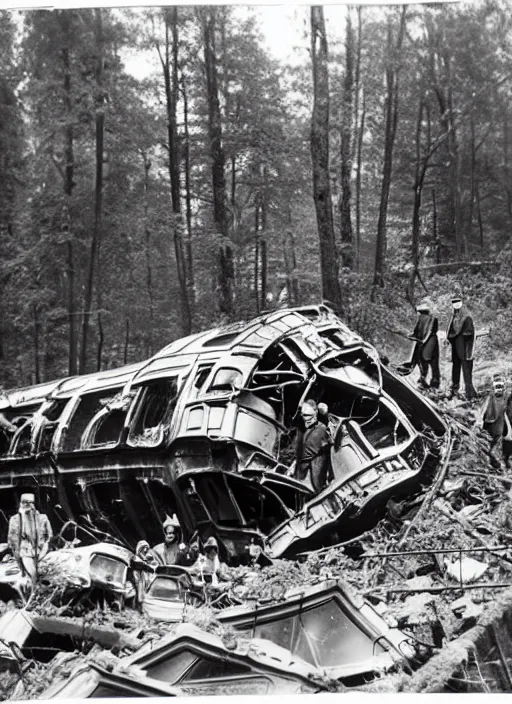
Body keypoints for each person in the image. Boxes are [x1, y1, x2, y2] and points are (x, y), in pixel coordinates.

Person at [7, 494, 53, 581]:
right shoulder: (14, 520)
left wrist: (43, 551)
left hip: (42, 552)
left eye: (31, 502)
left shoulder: (43, 518)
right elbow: (12, 542)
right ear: (20, 504)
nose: (28, 505)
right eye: (25, 502)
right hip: (25, 552)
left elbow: (49, 537)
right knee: (34, 576)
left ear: (34, 504)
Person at [293, 400, 332, 493]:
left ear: (316, 413)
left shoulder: (321, 429)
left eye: (308, 415)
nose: (305, 419)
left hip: (312, 479)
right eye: (303, 415)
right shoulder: (303, 430)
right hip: (302, 476)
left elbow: (308, 453)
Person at [446, 295, 477, 400]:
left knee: (466, 367)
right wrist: (450, 338)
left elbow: (469, 332)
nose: (456, 304)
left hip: (464, 345)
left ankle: (469, 393)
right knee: (456, 365)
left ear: (461, 303)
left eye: (458, 302)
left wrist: (459, 335)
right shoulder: (453, 316)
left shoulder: (467, 316)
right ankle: (454, 388)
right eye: (454, 302)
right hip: (456, 344)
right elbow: (450, 330)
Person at [408, 299, 440, 390]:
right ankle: (429, 381)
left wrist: (420, 339)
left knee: (428, 362)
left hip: (429, 343)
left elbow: (430, 332)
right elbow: (416, 332)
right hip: (427, 342)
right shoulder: (424, 319)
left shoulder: (429, 319)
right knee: (429, 362)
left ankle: (431, 381)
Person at [477, 374, 508, 464]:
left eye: (501, 386)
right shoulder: (489, 397)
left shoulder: (506, 397)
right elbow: (483, 409)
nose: (499, 389)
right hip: (489, 422)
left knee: (497, 437)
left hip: (499, 422)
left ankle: (494, 454)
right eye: (497, 386)